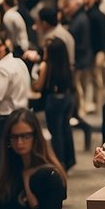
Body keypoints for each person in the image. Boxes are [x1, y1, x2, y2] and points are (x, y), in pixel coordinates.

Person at [0, 32, 31, 179]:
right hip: (22, 112)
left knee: (1, 161)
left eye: (1, 44)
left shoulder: (0, 69)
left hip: (4, 118)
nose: (1, 48)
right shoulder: (19, 62)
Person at [35, 37, 76, 170]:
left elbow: (39, 86)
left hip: (54, 100)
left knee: (56, 132)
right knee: (66, 130)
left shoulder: (46, 65)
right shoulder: (65, 65)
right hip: (68, 97)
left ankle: (59, 162)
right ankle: (69, 160)